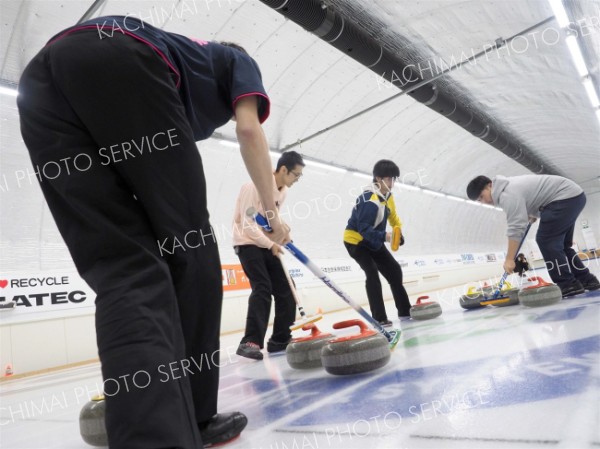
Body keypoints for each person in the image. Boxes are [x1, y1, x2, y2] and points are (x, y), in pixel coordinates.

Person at [17, 15, 289, 449]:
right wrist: (271, 212)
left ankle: (151, 439)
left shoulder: (186, 63)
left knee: (126, 269)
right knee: (193, 253)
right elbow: (248, 129)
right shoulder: (236, 59)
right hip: (123, 57)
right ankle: (198, 419)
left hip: (39, 88)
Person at [466, 175, 599, 297]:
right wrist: (532, 213)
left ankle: (567, 284)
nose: (483, 202)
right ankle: (587, 280)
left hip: (563, 198)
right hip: (574, 197)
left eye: (482, 197)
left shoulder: (507, 195)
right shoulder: (509, 187)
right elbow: (533, 198)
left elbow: (516, 228)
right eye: (479, 201)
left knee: (546, 241)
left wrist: (509, 259)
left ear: (490, 185)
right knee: (562, 245)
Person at [233, 151, 304, 360]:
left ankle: (280, 340)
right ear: (283, 170)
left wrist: (283, 230)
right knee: (262, 287)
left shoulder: (282, 192)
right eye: (296, 175)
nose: (297, 180)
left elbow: (272, 219)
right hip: (247, 243)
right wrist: (270, 243)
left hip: (266, 244)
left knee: (287, 288)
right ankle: (250, 342)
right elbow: (247, 222)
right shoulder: (253, 186)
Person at [343, 160, 411, 326]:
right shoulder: (369, 200)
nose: (392, 183)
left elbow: (393, 217)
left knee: (394, 271)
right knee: (372, 272)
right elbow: (364, 230)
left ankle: (405, 312)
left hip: (373, 241)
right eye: (388, 179)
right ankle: (379, 318)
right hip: (356, 241)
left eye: (394, 179)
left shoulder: (388, 196)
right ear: (378, 179)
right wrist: (387, 237)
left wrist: (398, 232)